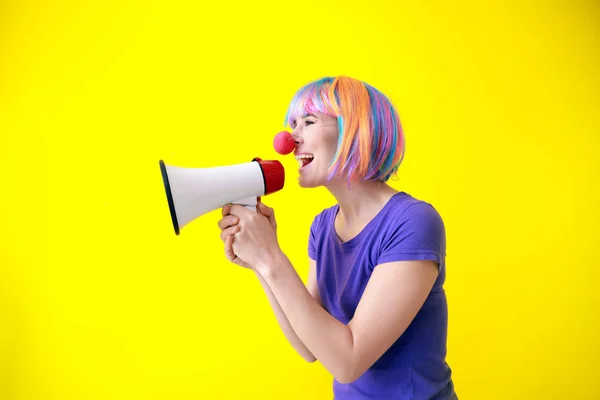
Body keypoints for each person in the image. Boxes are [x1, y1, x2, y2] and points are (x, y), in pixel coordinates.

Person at [217, 76, 457, 399]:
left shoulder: (413, 222)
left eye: (308, 122)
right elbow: (309, 346)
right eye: (292, 124)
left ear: (352, 131)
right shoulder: (322, 227)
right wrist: (260, 263)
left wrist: (271, 258)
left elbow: (348, 361)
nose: (289, 139)